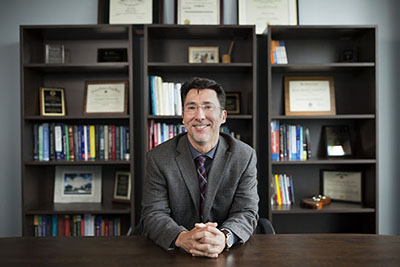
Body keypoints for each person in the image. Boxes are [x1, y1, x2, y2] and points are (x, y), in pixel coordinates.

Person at [141, 77, 259, 258]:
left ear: (223, 116)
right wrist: (181, 237)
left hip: (227, 255)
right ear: (183, 116)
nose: (200, 116)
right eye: (191, 107)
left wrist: (224, 238)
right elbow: (154, 213)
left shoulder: (244, 156)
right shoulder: (159, 158)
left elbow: (246, 211)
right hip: (175, 255)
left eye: (208, 106)